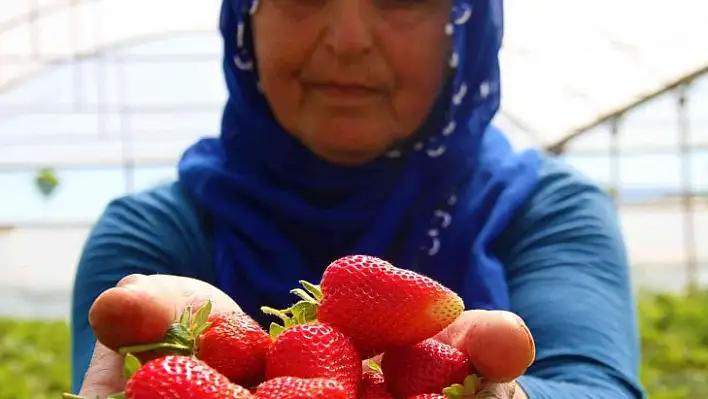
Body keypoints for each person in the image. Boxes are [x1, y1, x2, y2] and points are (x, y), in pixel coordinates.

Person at [69, 0, 646, 397]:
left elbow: (594, 384)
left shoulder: (546, 209)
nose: (347, 41)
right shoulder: (151, 233)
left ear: (463, 26)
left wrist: (505, 393)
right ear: (247, 21)